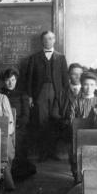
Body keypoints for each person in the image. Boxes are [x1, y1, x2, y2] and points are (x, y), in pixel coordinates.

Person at [23, 30, 68, 160]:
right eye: (46, 39)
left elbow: (65, 79)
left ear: (54, 40)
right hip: (40, 92)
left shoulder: (60, 57)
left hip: (57, 92)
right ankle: (43, 152)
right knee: (41, 121)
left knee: (55, 120)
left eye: (51, 38)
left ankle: (52, 152)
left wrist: (64, 97)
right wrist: (30, 96)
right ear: (42, 41)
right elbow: (30, 79)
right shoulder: (35, 57)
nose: (49, 41)